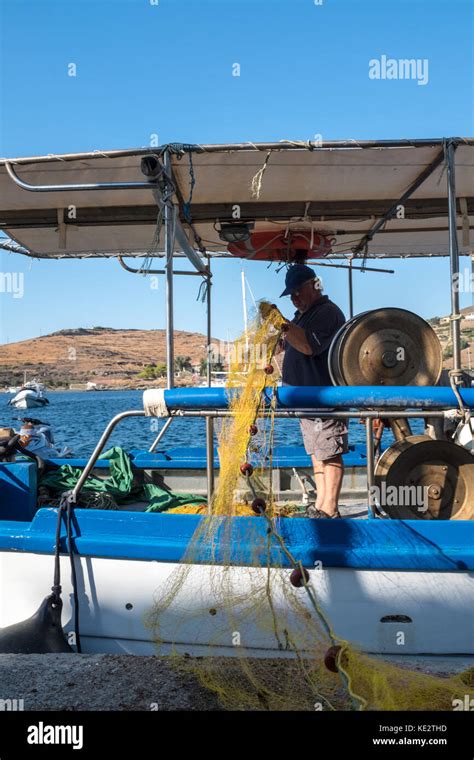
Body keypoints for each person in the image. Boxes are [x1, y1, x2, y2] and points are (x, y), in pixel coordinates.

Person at [277, 263, 348, 518]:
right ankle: (321, 506)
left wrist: (283, 325)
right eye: (291, 294)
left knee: (330, 454)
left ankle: (330, 509)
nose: (295, 298)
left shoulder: (327, 312)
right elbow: (282, 347)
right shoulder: (300, 317)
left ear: (314, 285)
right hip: (306, 403)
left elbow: (308, 346)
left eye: (298, 291)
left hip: (325, 400)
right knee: (318, 455)